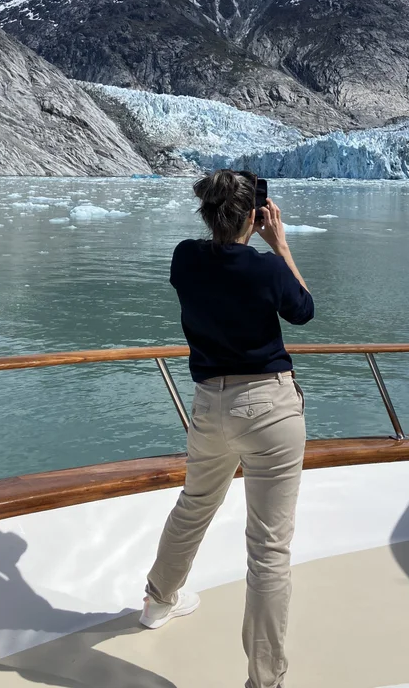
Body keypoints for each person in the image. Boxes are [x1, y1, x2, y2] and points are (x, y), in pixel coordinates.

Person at [140, 169, 314, 688]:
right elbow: (303, 310)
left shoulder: (184, 257)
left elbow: (211, 265)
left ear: (207, 212)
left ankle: (158, 601)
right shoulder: (265, 268)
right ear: (253, 215)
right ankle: (265, 680)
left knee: (195, 503)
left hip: (209, 405)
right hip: (268, 407)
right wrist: (279, 244)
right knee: (268, 549)